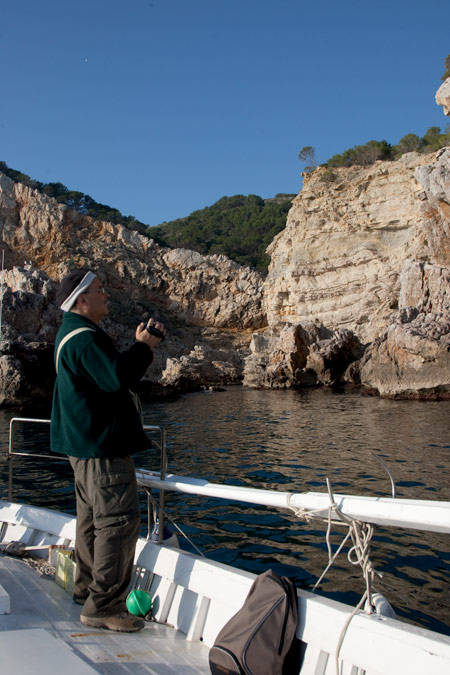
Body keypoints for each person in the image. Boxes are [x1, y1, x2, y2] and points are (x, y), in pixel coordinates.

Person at [50, 268, 165, 633]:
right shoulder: (84, 339)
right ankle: (104, 606)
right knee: (118, 522)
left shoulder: (72, 334)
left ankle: (86, 589)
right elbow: (117, 378)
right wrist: (145, 346)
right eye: (100, 290)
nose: (107, 295)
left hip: (83, 448)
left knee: (92, 521)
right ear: (82, 300)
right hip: (102, 450)